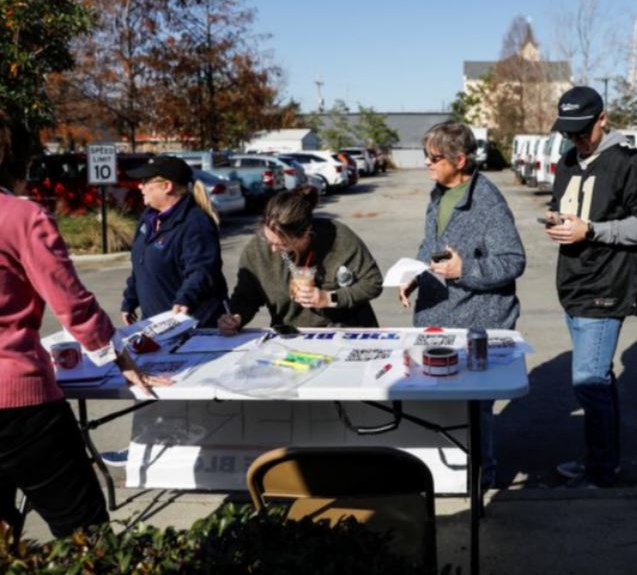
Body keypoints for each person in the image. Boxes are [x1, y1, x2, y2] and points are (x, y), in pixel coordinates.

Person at [0, 111, 168, 537]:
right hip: (18, 402)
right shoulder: (19, 216)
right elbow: (72, 304)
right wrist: (122, 358)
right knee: (84, 532)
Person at [544, 86, 637, 487]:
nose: (575, 139)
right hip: (573, 284)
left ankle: (601, 471)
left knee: (589, 382)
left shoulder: (631, 163)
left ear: (602, 119)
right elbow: (573, 212)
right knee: (599, 381)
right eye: (568, 131)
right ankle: (601, 460)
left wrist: (592, 230)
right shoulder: (566, 161)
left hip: (607, 286)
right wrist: (559, 222)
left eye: (582, 130)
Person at [400, 121, 526, 487]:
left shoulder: (488, 201)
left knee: (476, 410)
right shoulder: (439, 192)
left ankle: (481, 478)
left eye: (434, 158)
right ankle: (449, 474)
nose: (427, 163)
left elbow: (513, 260)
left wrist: (464, 269)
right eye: (426, 156)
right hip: (438, 317)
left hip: (477, 324)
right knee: (441, 406)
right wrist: (415, 271)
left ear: (460, 159)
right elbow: (431, 245)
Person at [219, 187, 382, 333]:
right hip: (292, 337)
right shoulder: (257, 250)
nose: (274, 249)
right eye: (270, 241)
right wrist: (235, 318)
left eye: (282, 244)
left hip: (347, 333)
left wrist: (329, 298)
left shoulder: (338, 237)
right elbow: (246, 297)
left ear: (307, 233)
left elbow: (372, 282)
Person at [121, 156, 228, 327]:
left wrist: (185, 299)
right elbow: (141, 266)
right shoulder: (147, 218)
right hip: (156, 324)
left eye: (146, 181)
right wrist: (130, 300)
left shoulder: (195, 223)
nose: (140, 187)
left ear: (167, 186)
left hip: (192, 326)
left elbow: (202, 270)